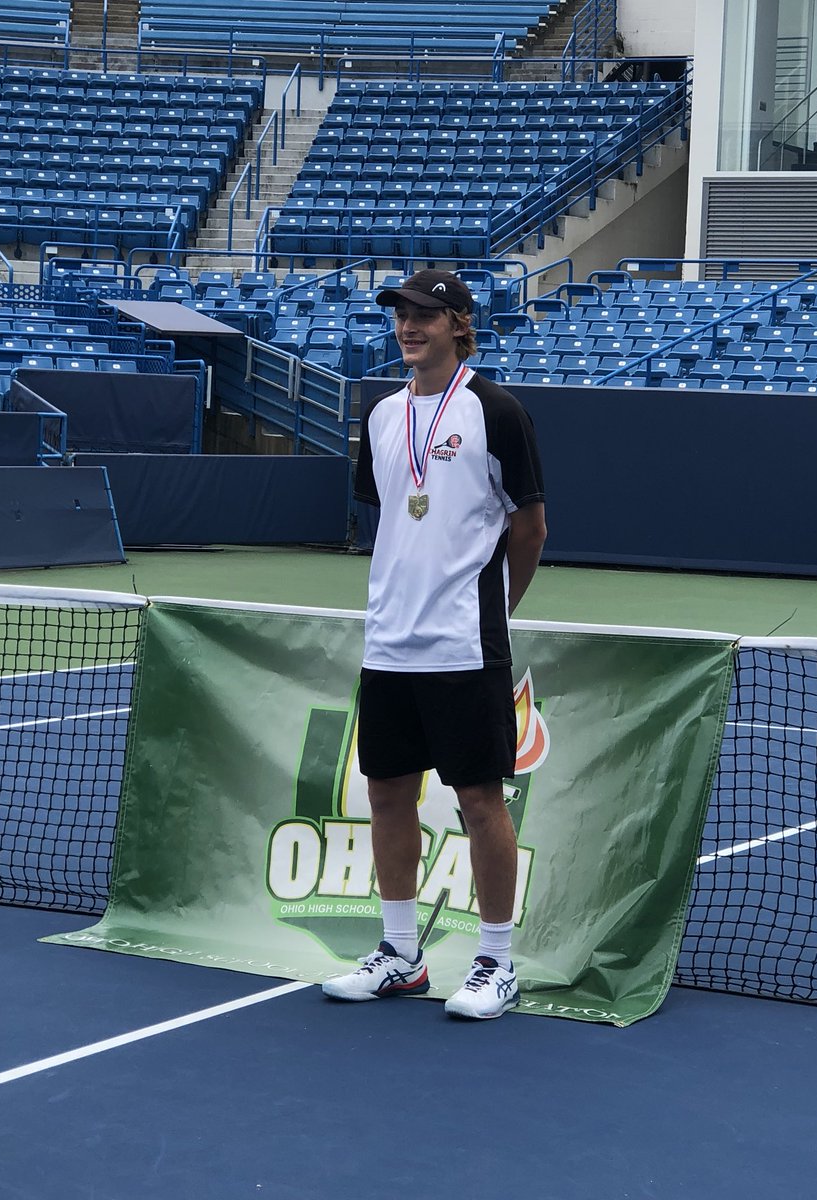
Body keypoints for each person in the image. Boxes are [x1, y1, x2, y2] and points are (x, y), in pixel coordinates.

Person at [322, 269, 547, 1020]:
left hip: (463, 648)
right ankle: (399, 956)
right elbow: (394, 518)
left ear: (458, 324)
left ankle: (496, 963)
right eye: (400, 314)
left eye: (424, 314)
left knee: (479, 801)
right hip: (389, 644)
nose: (408, 326)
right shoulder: (382, 415)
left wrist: (494, 616)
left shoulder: (497, 411)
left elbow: (529, 528)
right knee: (386, 793)